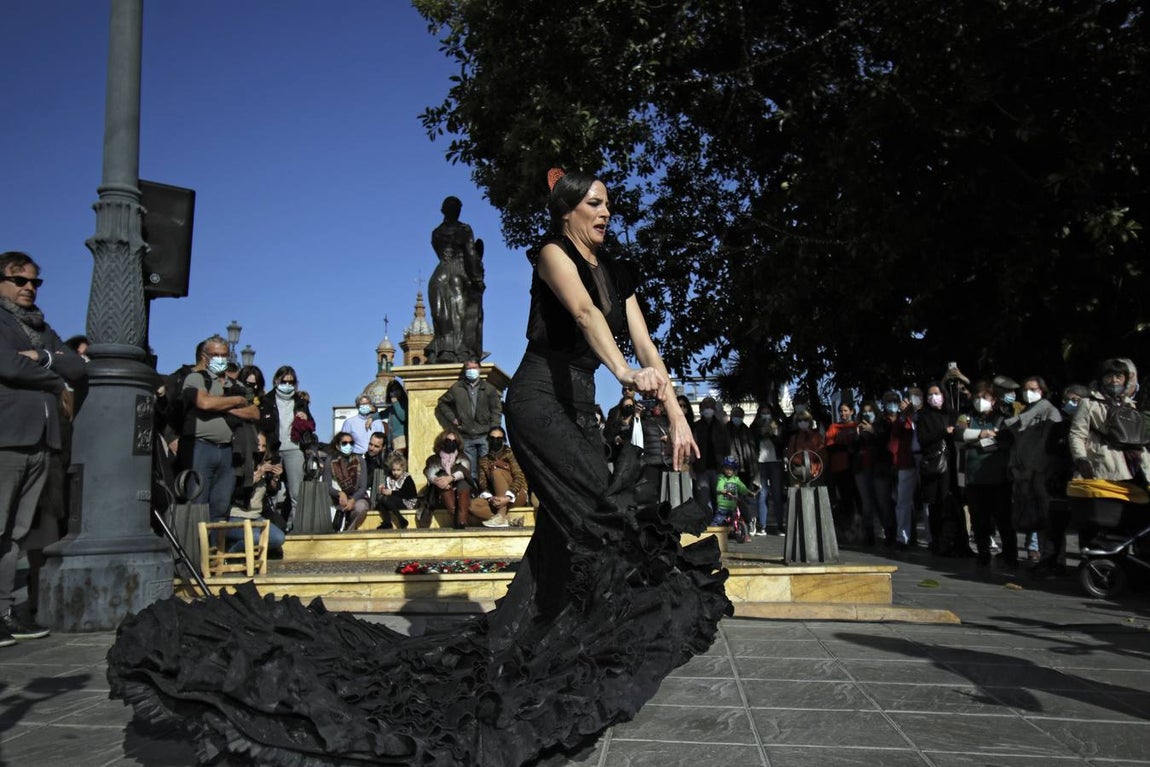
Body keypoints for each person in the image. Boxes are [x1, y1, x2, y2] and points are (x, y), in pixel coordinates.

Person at [106, 170, 730, 766]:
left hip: (582, 408)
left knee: (561, 535)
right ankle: (576, 641)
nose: (605, 212)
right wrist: (625, 374)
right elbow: (590, 319)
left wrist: (676, 416)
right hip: (540, 403)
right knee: (599, 513)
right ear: (567, 211)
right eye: (593, 203)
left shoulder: (618, 268)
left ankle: (524, 642)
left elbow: (645, 343)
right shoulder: (551, 253)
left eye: (608, 202)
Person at [0, 251, 86, 645]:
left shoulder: (42, 327)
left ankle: (5, 611)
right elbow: (8, 366)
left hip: (41, 439)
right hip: (8, 435)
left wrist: (42, 357)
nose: (29, 288)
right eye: (19, 280)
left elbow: (77, 367)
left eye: (35, 281)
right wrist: (52, 376)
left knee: (16, 533)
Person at [181, 335, 260, 525]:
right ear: (204, 356)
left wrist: (223, 406)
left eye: (224, 355)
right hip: (201, 447)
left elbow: (254, 412)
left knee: (221, 505)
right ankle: (195, 542)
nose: (221, 359)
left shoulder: (236, 385)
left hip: (227, 450)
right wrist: (236, 401)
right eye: (216, 355)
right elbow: (204, 402)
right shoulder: (196, 378)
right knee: (197, 502)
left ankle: (216, 543)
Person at [961, 381, 1017, 567]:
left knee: (1003, 519)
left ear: (993, 400)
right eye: (977, 397)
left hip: (998, 478)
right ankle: (983, 553)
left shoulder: (1003, 418)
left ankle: (1010, 554)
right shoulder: (966, 416)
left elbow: (1004, 442)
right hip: (974, 478)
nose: (980, 400)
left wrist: (975, 443)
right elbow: (958, 433)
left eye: (984, 397)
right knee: (979, 519)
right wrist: (983, 434)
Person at [426, 195, 484, 363]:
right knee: (460, 315)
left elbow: (440, 253)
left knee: (441, 315)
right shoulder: (464, 230)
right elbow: (470, 254)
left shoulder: (436, 233)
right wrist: (477, 278)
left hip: (440, 274)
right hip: (459, 272)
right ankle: (460, 352)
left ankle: (444, 351)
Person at [258, 365, 313, 524]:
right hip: (272, 450)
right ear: (276, 381)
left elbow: (311, 425)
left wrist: (305, 419)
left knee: (296, 493)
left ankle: (297, 528)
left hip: (294, 449)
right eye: (284, 381)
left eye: (291, 382)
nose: (288, 385)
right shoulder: (267, 400)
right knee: (271, 491)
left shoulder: (300, 402)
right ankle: (269, 528)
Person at [435, 358, 503, 474]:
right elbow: (442, 402)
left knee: (487, 468)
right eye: (469, 368)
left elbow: (496, 409)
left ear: (479, 369)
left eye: (474, 368)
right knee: (470, 470)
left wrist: (494, 428)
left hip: (485, 435)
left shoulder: (489, 388)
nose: (472, 370)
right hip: (465, 435)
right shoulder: (457, 388)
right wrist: (453, 418)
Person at [227, 431, 286, 553]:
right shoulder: (240, 465)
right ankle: (231, 554)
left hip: (256, 516)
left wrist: (275, 477)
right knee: (255, 537)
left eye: (264, 446)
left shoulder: (265, 465)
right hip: (236, 516)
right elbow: (235, 492)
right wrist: (256, 476)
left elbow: (271, 492)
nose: (261, 449)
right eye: (258, 445)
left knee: (278, 538)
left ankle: (240, 549)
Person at [916, 383, 955, 553]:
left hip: (951, 464)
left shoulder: (951, 414)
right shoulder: (924, 416)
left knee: (950, 503)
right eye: (930, 394)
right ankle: (937, 541)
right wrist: (943, 432)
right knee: (934, 504)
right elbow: (923, 439)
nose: (934, 397)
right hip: (933, 464)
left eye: (937, 393)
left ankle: (952, 540)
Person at [470, 426, 529, 528]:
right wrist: (491, 498)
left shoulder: (511, 454)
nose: (495, 441)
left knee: (496, 472)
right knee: (472, 506)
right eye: (492, 438)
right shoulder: (483, 460)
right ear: (488, 440)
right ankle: (509, 521)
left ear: (503, 440)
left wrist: (507, 498)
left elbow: (519, 477)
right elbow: (482, 483)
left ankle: (501, 514)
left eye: (499, 439)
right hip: (496, 497)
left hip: (517, 495)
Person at [423, 429, 473, 529]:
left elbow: (465, 471)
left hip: (460, 489)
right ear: (442, 441)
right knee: (441, 475)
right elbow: (430, 473)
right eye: (448, 440)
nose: (451, 443)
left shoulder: (462, 457)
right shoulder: (433, 458)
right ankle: (455, 515)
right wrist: (439, 481)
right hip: (441, 492)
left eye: (454, 441)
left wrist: (450, 478)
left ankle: (462, 520)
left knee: (463, 483)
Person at [691, 395, 731, 516]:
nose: (708, 409)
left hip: (718, 468)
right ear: (701, 409)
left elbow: (727, 448)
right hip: (701, 469)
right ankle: (707, 524)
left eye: (710, 407)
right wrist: (692, 466)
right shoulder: (696, 426)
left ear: (714, 409)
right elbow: (692, 448)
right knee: (703, 501)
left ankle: (720, 523)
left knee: (720, 500)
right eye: (705, 407)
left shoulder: (721, 427)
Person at [324, 433, 368, 532]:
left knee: (361, 507)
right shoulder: (330, 461)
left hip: (356, 497)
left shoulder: (360, 460)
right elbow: (327, 486)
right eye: (344, 443)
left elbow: (362, 487)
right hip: (336, 498)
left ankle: (349, 530)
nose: (348, 445)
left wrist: (353, 500)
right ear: (337, 446)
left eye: (351, 443)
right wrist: (339, 493)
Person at [374, 451, 417, 529]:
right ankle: (387, 522)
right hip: (393, 501)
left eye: (398, 470)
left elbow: (411, 494)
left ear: (403, 469)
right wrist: (383, 490)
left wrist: (392, 492)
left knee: (386, 499)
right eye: (394, 470)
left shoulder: (406, 478)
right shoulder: (389, 478)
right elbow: (389, 492)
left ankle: (400, 519)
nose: (396, 472)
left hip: (406, 501)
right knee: (381, 500)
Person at [712, 456, 752, 527]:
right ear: (723, 468)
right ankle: (713, 529)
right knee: (718, 520)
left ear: (734, 470)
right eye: (727, 468)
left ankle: (739, 528)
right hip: (723, 506)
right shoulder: (722, 478)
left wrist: (746, 491)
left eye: (731, 469)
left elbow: (741, 486)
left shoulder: (736, 479)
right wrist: (721, 489)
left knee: (735, 517)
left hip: (733, 506)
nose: (729, 471)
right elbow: (719, 485)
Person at [383, 379, 408, 456]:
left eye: (396, 389)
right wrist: (372, 418)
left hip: (401, 440)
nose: (394, 393)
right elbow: (383, 414)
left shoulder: (404, 404)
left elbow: (403, 417)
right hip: (392, 440)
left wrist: (396, 403)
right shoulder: (393, 407)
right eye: (392, 391)